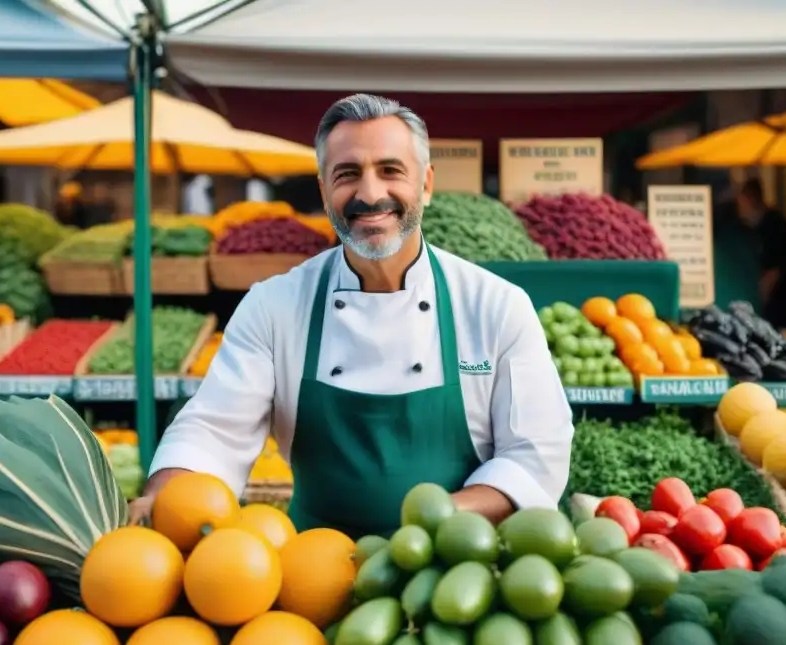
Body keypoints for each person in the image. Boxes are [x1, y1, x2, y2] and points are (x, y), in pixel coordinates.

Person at [129, 93, 574, 537]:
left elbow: (534, 454)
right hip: (311, 575)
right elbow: (213, 430)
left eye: (390, 171)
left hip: (452, 575)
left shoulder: (494, 306)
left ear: (426, 184)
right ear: (324, 192)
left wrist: (437, 522)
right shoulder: (275, 307)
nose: (370, 193)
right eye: (347, 175)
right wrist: (166, 496)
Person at [736, 179, 786, 328]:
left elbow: (774, 270)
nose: (739, 210)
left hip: (778, 300)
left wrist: (758, 302)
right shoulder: (760, 226)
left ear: (750, 200)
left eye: (740, 204)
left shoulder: (773, 226)